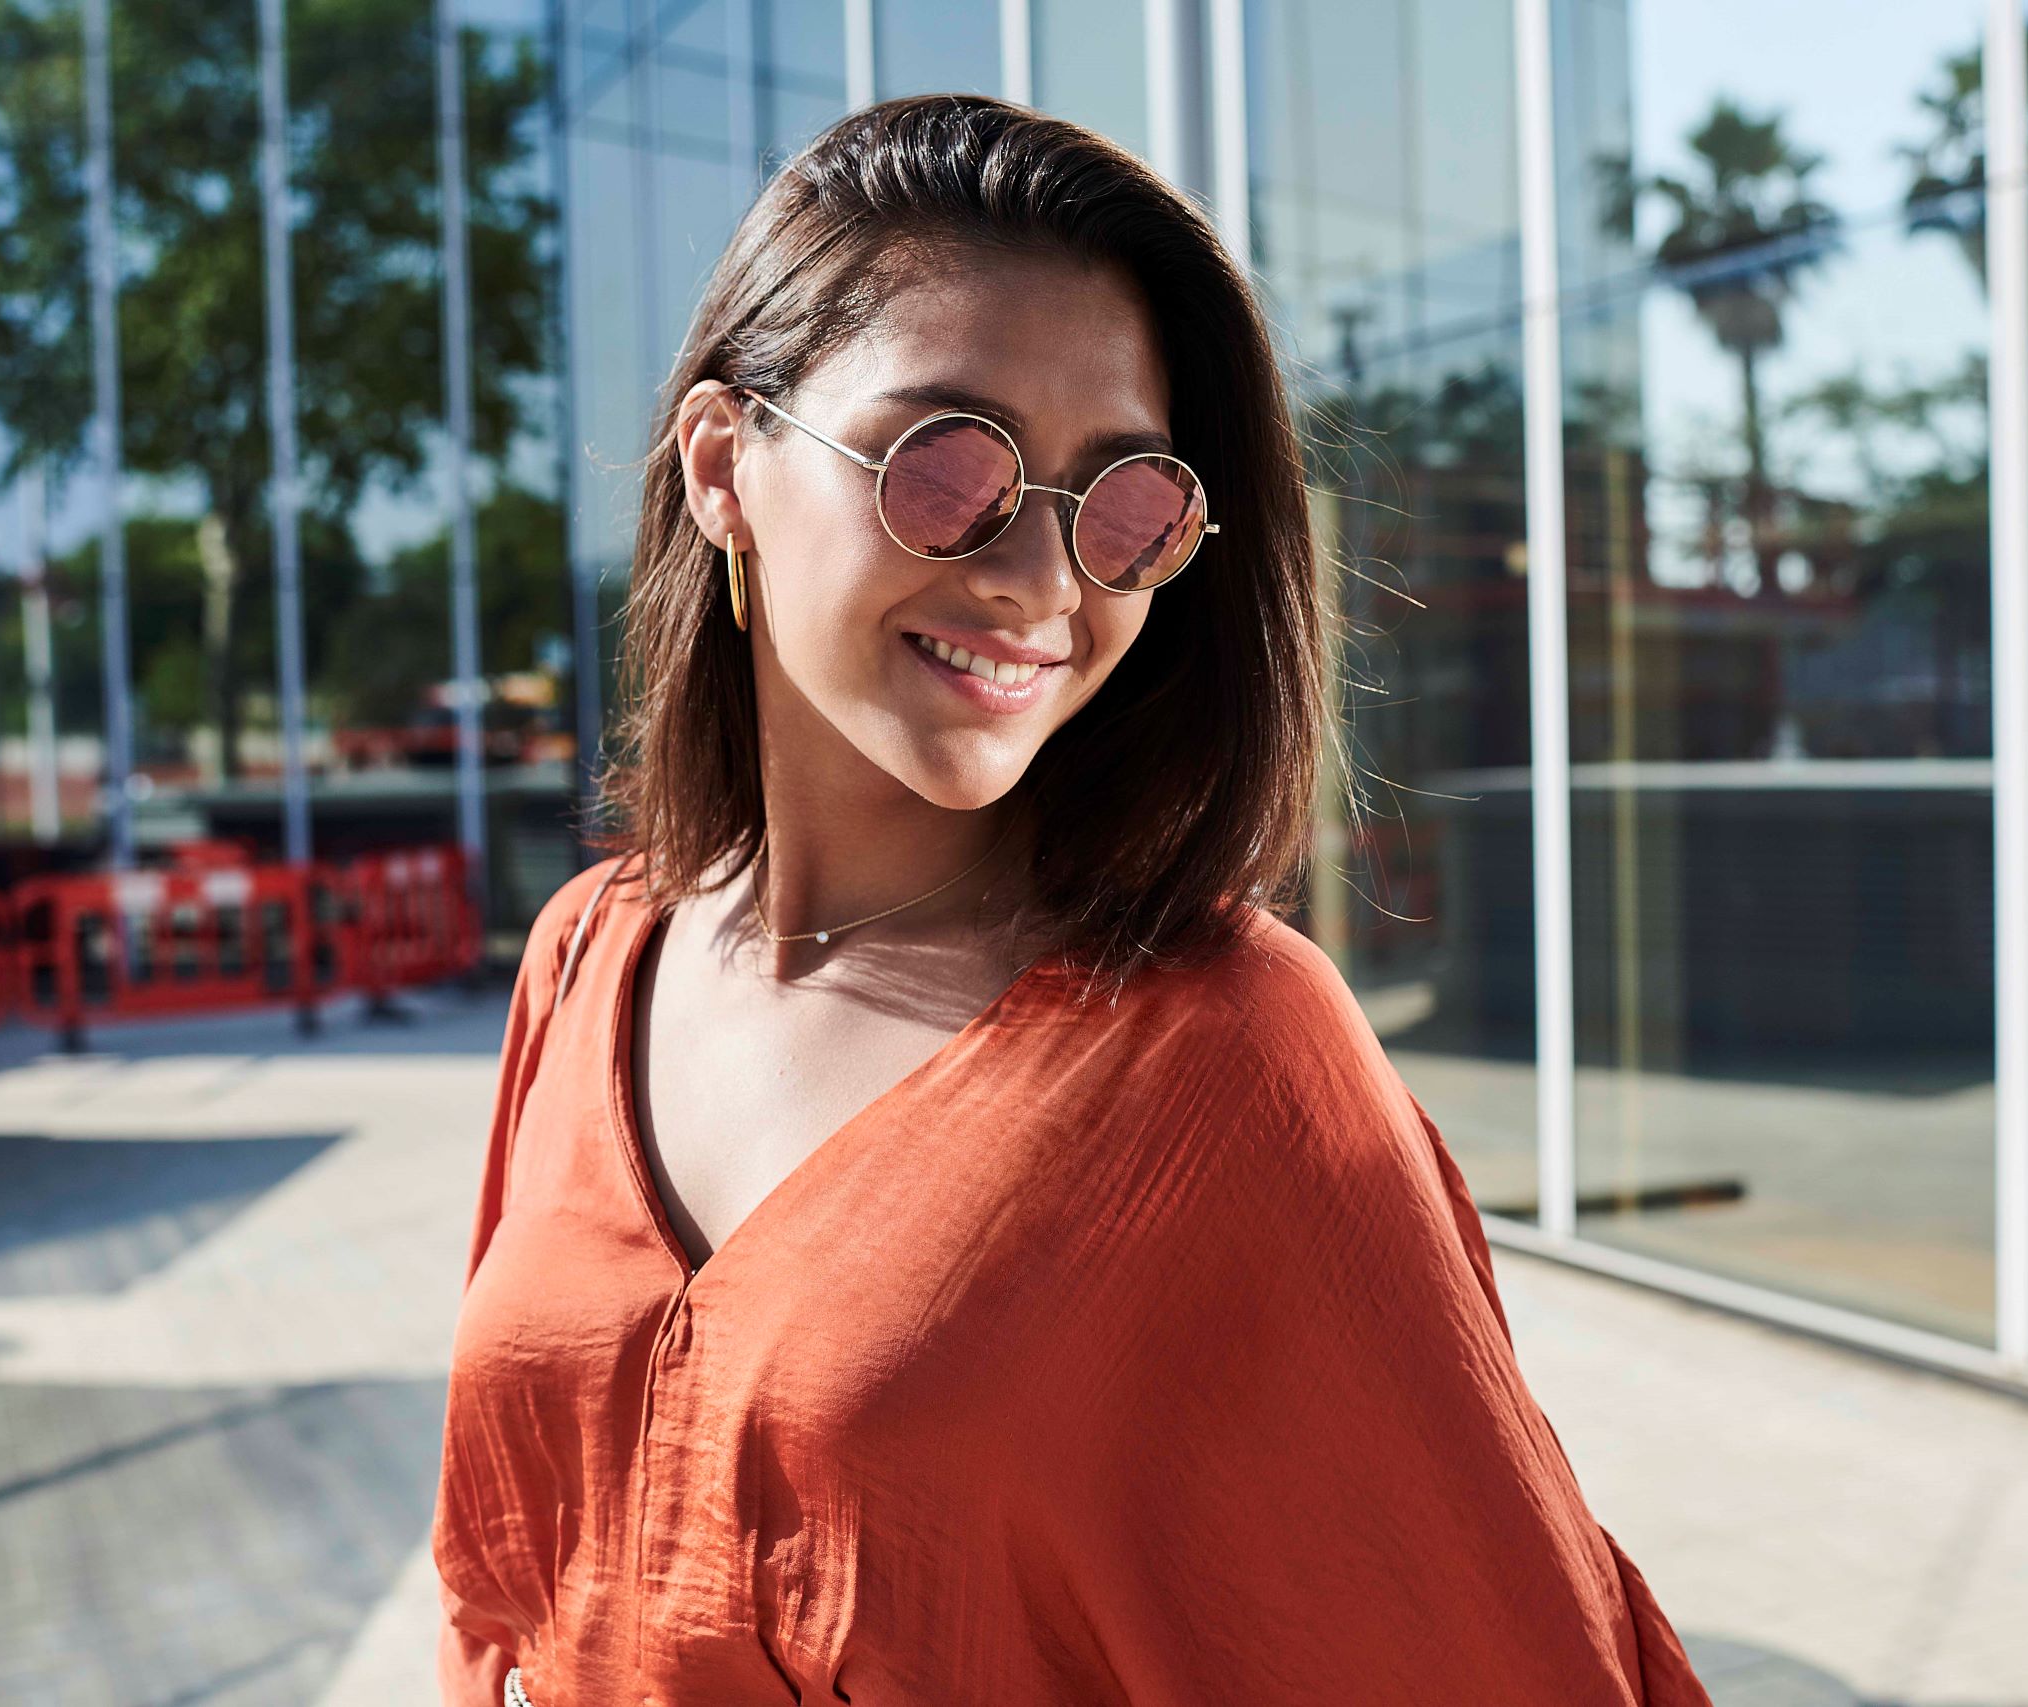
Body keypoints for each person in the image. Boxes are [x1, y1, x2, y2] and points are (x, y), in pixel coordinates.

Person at [430, 93, 1711, 1707]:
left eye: (1123, 508)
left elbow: (1487, 1646)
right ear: (720, 467)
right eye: (947, 463)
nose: (1041, 579)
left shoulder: (1230, 1058)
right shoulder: (591, 954)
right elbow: (498, 1596)